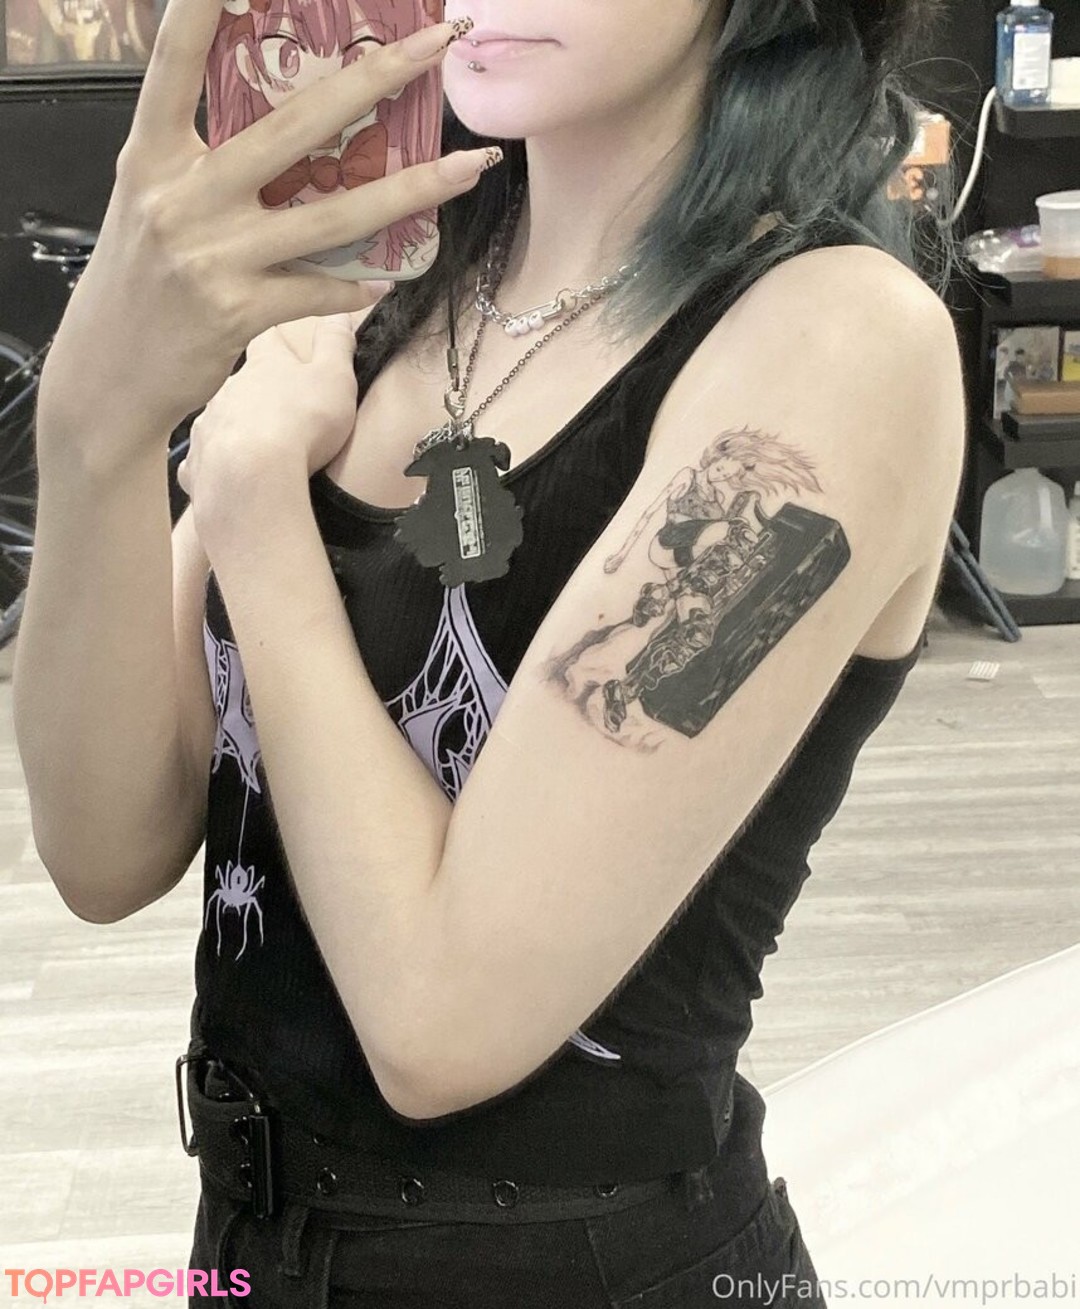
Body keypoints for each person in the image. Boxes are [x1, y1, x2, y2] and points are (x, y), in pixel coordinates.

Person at [13, 0, 967, 1305]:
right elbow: (104, 847)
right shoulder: (385, 285)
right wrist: (95, 417)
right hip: (249, 1251)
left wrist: (253, 505)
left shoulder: (839, 350)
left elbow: (442, 1020)